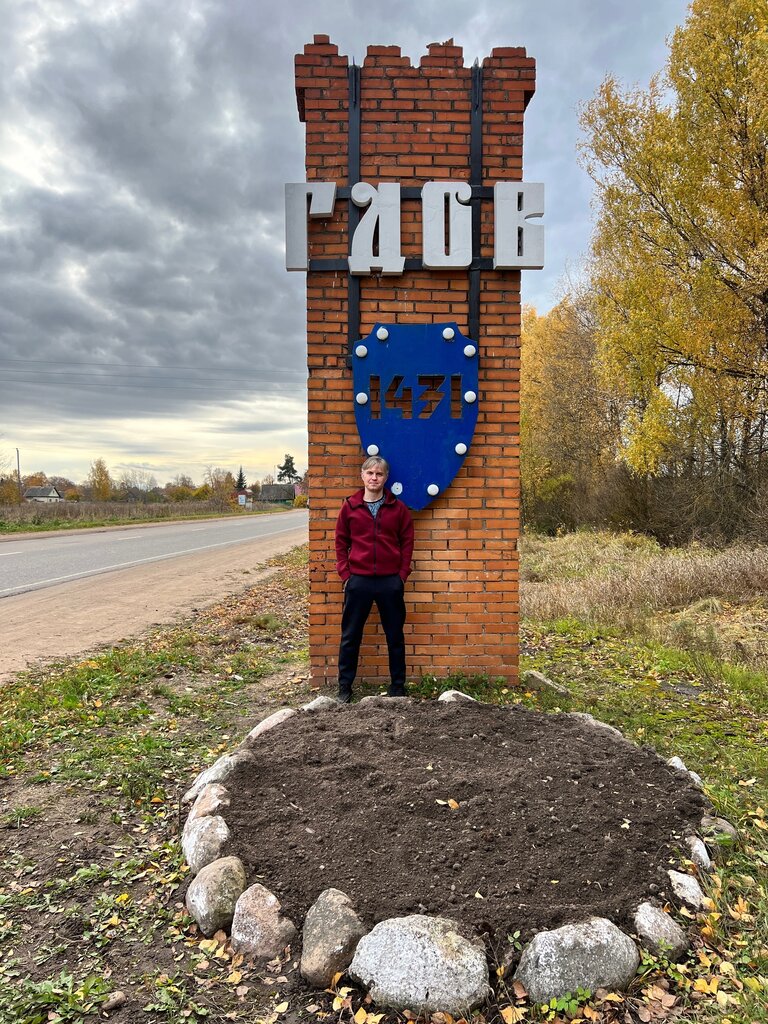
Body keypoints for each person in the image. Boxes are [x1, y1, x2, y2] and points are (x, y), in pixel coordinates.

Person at [334, 456, 414, 702]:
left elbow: (408, 543)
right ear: (362, 475)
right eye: (370, 473)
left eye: (379, 474)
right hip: (358, 581)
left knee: (395, 636)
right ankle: (345, 688)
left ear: (385, 478)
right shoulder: (350, 507)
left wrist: (401, 575)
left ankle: (397, 687)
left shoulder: (397, 508)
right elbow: (340, 542)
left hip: (390, 582)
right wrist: (346, 575)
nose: (374, 478)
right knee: (350, 636)